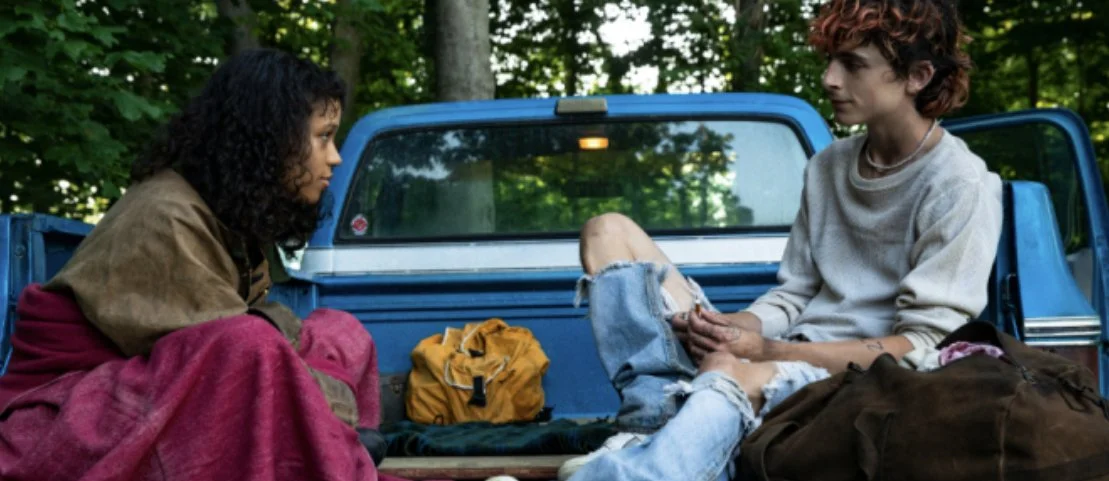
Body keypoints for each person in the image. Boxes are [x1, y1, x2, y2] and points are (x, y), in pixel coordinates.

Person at [560, 0, 1003, 479]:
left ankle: (639, 462)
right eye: (829, 61)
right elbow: (794, 295)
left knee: (729, 372)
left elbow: (922, 345)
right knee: (606, 231)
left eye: (852, 65)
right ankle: (655, 417)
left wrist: (766, 352)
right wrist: (727, 326)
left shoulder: (960, 182)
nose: (829, 79)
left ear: (918, 75)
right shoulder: (829, 165)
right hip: (781, 353)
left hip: (862, 381)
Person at [0, 49, 390, 481]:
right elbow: (238, 355)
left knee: (340, 331)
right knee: (250, 347)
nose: (334, 157)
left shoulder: (224, 213)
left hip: (157, 386)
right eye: (323, 137)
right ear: (273, 139)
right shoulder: (165, 216)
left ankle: (330, 443)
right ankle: (332, 447)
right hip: (68, 411)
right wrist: (329, 415)